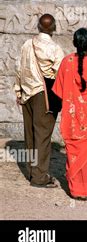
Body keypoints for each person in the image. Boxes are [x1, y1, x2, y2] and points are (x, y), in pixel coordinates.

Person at [52, 28, 87, 201]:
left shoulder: (66, 61)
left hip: (73, 115)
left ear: (74, 43)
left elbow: (58, 90)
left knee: (75, 149)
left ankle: (76, 191)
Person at [14, 14, 65, 188]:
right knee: (42, 136)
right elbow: (60, 74)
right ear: (54, 28)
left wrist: (18, 91)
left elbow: (19, 68)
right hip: (44, 95)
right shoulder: (55, 49)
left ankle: (31, 171)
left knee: (30, 136)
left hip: (27, 93)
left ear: (38, 26)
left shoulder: (27, 44)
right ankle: (40, 177)